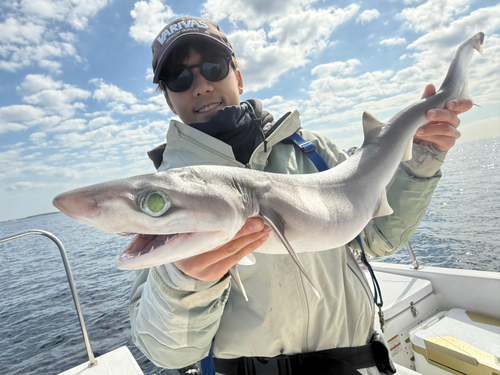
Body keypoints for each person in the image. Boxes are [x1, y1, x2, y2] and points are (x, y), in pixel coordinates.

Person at [129, 16, 472, 375]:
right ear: (169, 99)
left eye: (213, 67)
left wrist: (421, 158)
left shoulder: (313, 151)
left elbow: (380, 237)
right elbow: (166, 353)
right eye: (178, 78)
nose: (200, 86)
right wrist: (182, 284)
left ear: (238, 76)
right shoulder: (166, 203)